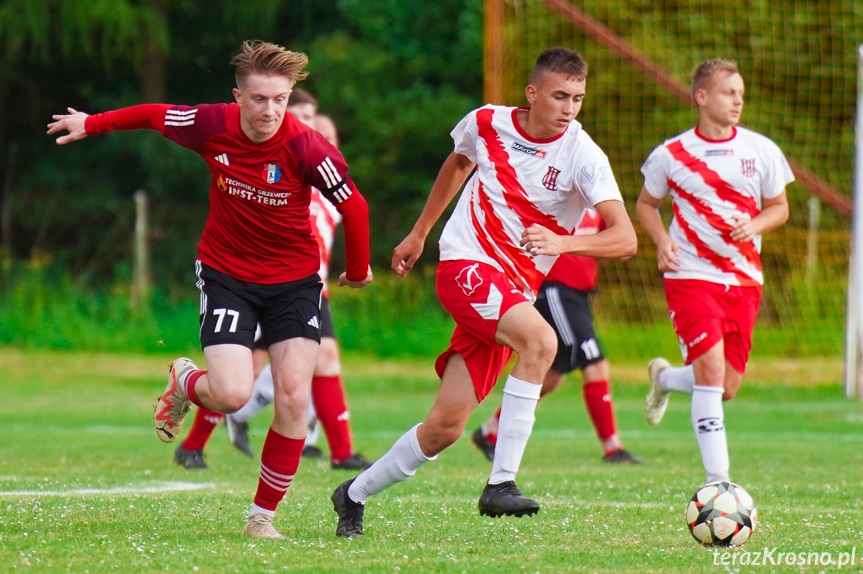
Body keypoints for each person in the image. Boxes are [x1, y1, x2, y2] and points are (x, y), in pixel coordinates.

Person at [48, 40, 373, 539]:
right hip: (227, 275)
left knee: (290, 397)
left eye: (280, 99)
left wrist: (358, 269)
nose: (270, 110)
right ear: (238, 96)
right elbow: (156, 115)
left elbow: (354, 206)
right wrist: (92, 123)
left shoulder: (307, 146)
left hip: (294, 283)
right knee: (231, 394)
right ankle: (185, 382)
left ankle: (261, 518)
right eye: (260, 98)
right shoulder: (211, 123)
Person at [330, 47, 636, 539]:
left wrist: (565, 242)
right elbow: (457, 163)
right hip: (466, 267)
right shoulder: (487, 122)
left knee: (444, 429)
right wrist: (419, 231)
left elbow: (626, 238)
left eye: (578, 98)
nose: (569, 108)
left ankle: (353, 494)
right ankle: (502, 482)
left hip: (513, 290)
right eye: (560, 96)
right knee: (542, 343)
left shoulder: (583, 154)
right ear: (532, 93)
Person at [636, 58, 791, 485]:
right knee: (709, 375)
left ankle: (665, 378)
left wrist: (756, 223)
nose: (738, 100)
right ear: (702, 97)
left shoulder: (760, 150)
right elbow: (646, 205)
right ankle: (718, 483)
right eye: (729, 92)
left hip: (743, 280)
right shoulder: (672, 154)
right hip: (690, 276)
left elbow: (780, 208)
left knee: (726, 387)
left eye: (740, 93)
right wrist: (661, 241)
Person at [223, 95, 371, 471]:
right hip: (268, 284)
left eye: (331, 135)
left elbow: (351, 209)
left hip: (307, 286)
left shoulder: (325, 173)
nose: (327, 140)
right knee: (245, 373)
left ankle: (336, 450)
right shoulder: (287, 164)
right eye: (311, 125)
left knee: (316, 362)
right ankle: (216, 428)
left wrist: (355, 269)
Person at [471, 209, 641, 465]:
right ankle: (612, 448)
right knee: (595, 364)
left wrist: (618, 245)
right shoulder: (556, 194)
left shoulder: (597, 200)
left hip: (580, 296)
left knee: (551, 377)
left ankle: (490, 432)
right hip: (556, 292)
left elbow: (619, 242)